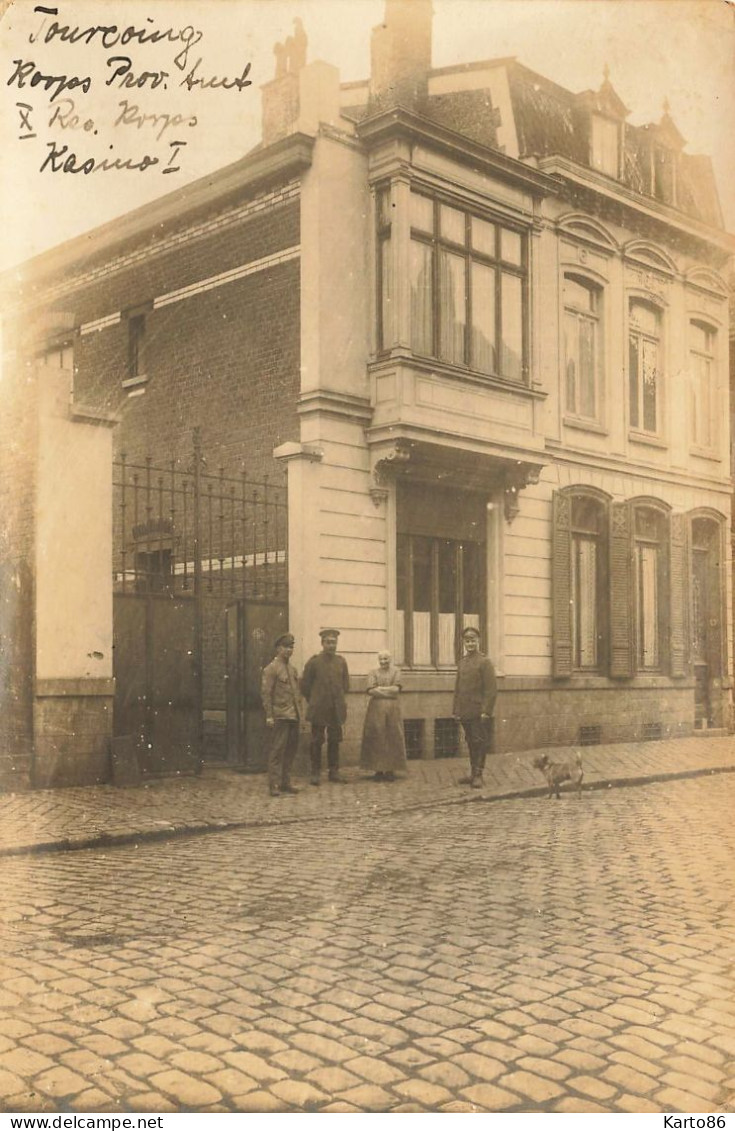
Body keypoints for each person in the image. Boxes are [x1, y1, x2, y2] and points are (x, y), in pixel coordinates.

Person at [300, 628, 350, 785]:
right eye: (328, 642)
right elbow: (305, 686)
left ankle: (334, 772)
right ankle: (315, 773)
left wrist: (338, 700)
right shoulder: (314, 662)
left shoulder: (341, 661)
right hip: (319, 708)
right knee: (316, 741)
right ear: (322, 643)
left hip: (336, 708)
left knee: (335, 740)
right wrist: (314, 700)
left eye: (334, 642)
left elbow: (345, 685)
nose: (331, 645)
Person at [453, 625, 497, 789]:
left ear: (478, 641)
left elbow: (491, 690)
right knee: (471, 742)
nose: (470, 643)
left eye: (473, 640)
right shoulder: (462, 662)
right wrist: (456, 710)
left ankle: (479, 775)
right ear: (463, 642)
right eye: (467, 640)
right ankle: (472, 773)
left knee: (479, 742)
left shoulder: (484, 662)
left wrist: (486, 710)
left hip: (479, 711)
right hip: (465, 710)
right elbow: (458, 688)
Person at [261, 632, 303, 797]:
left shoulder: (292, 670)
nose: (289, 650)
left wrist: (300, 714)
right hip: (280, 716)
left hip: (293, 716)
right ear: (278, 648)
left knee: (291, 751)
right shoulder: (271, 669)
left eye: (291, 647)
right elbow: (266, 693)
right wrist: (269, 715)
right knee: (277, 751)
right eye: (286, 647)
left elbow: (296, 694)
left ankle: (286, 782)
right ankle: (274, 785)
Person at [360, 651, 407, 782]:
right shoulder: (373, 672)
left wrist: (379, 690)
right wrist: (388, 690)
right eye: (381, 659)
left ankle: (391, 769)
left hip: (393, 709)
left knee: (392, 735)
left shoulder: (396, 671)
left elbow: (396, 690)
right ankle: (378, 769)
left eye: (386, 659)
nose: (383, 661)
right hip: (376, 709)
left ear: (390, 659)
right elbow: (370, 690)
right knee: (377, 736)